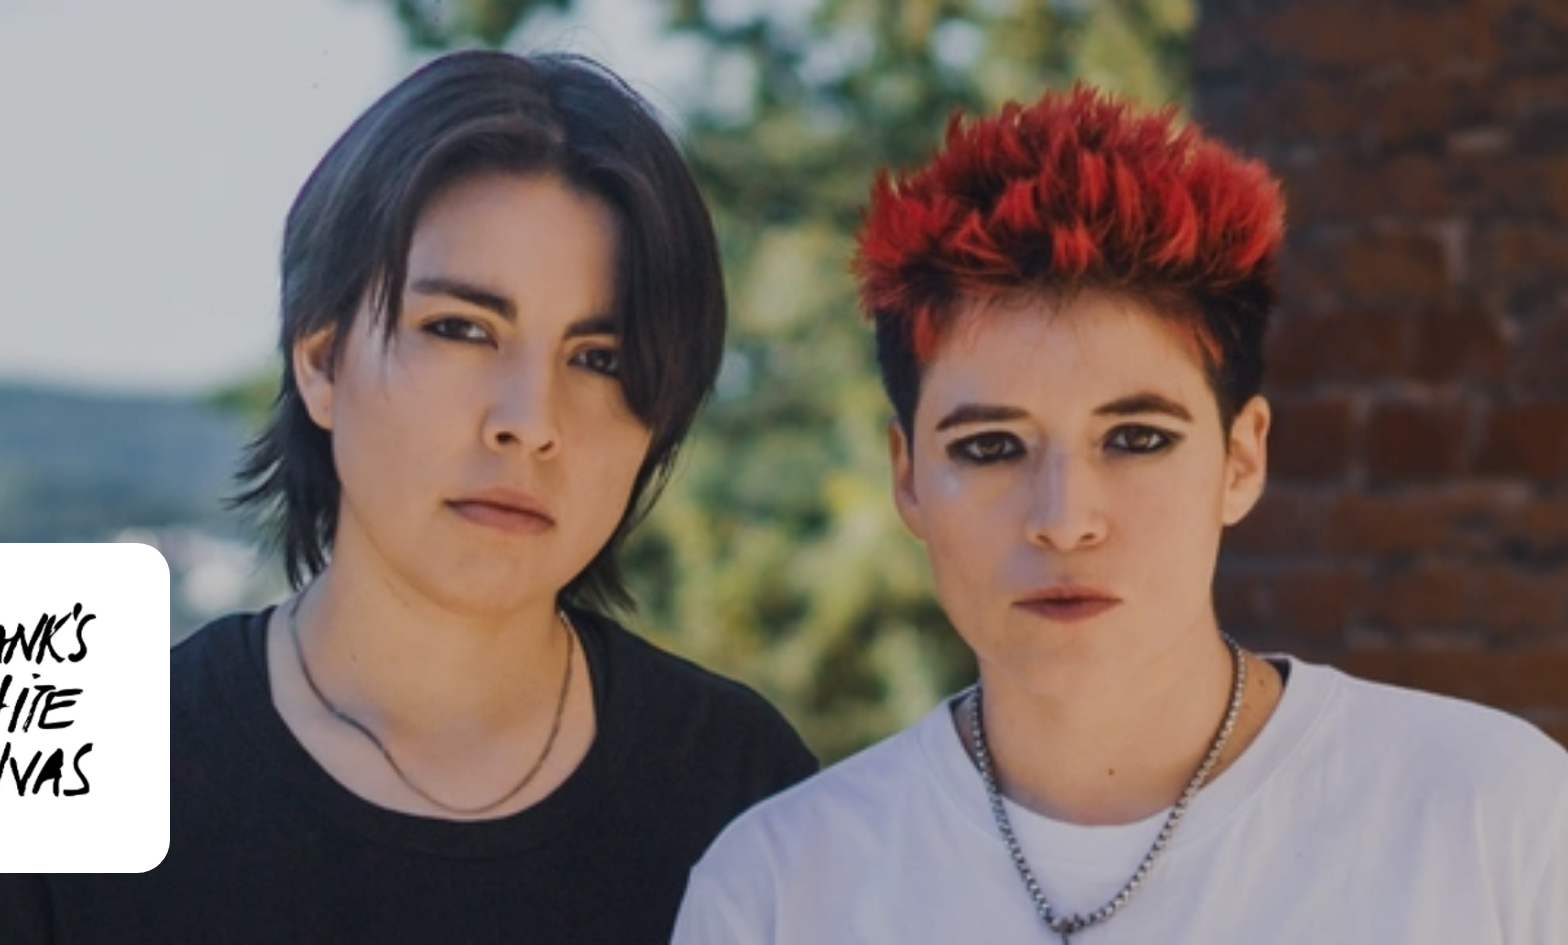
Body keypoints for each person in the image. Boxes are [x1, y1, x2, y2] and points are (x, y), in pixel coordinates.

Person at [0, 49, 815, 944]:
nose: (529, 420)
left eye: (599, 358)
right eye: (460, 328)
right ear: (321, 361)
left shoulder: (747, 795)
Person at [672, 86, 1568, 943]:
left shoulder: (1496, 815)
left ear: (1241, 459)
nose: (1065, 520)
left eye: (1137, 438)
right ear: (907, 476)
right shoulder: (780, 889)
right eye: (991, 446)